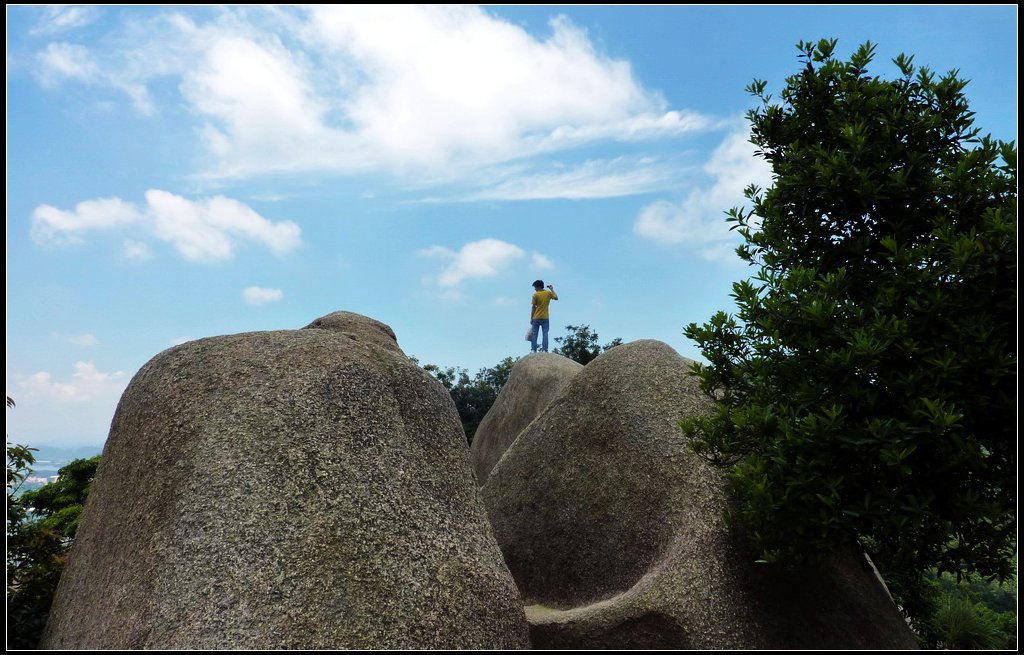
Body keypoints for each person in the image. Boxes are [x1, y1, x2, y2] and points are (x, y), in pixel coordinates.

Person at [529, 279, 558, 352]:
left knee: (534, 334)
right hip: (545, 318)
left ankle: (533, 349)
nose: (535, 289)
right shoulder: (548, 293)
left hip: (536, 318)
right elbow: (556, 298)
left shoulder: (535, 295)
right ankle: (545, 349)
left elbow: (533, 307)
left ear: (538, 286)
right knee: (545, 334)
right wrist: (552, 289)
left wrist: (531, 318)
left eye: (535, 287)